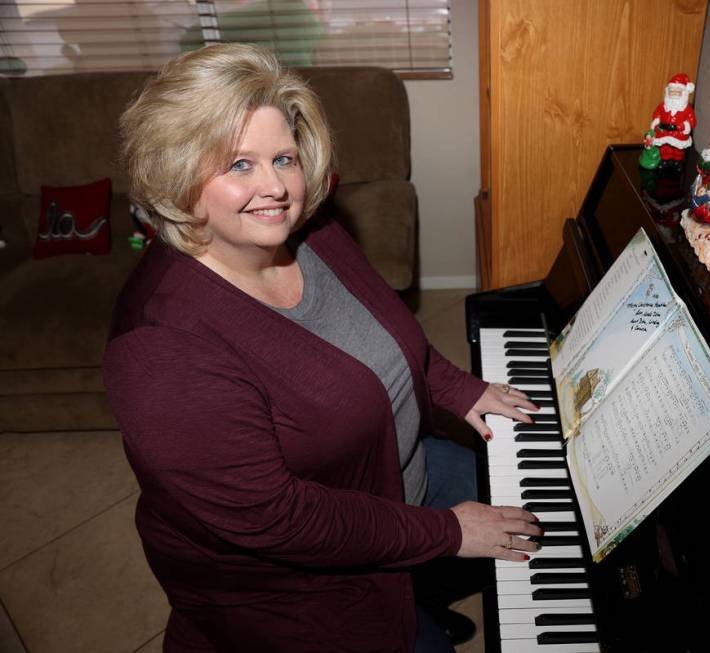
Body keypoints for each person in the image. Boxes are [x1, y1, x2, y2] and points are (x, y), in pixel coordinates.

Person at [106, 43, 542, 652]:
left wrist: (456, 388)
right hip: (293, 582)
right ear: (181, 176)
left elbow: (393, 336)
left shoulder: (311, 229)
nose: (276, 188)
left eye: (283, 158)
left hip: (394, 465)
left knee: (523, 500)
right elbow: (282, 519)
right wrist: (445, 532)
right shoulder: (159, 353)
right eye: (238, 165)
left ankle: (423, 598)